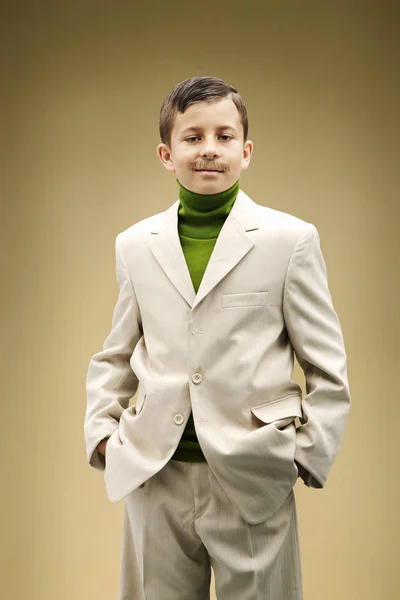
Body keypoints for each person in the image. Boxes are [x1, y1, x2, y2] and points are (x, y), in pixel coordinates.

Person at [84, 75, 351, 600]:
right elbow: (115, 352)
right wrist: (101, 434)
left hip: (253, 473)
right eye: (192, 137)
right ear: (167, 153)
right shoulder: (136, 245)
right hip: (154, 471)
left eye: (224, 137)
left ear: (246, 151)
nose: (209, 150)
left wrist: (303, 455)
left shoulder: (290, 240)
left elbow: (327, 365)